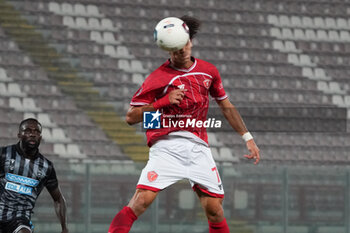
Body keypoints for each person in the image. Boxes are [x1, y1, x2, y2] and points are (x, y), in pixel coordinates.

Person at [108, 16, 260, 233]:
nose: (183, 50)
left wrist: (248, 138)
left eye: (185, 43)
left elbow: (226, 107)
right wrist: (162, 102)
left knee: (215, 210)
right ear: (169, 49)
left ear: (191, 41)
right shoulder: (157, 78)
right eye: (177, 47)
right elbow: (131, 117)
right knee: (141, 201)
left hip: (198, 147)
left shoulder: (209, 71)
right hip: (166, 147)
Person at [0, 118, 68, 233]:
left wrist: (64, 227)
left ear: (40, 137)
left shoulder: (46, 166)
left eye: (37, 132)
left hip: (21, 219)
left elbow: (58, 199)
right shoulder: (3, 154)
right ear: (19, 135)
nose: (32, 134)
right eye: (28, 131)